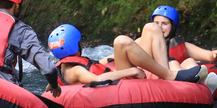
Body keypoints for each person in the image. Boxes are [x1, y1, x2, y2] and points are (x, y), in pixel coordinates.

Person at [47, 23, 203, 86]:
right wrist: (131, 71)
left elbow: (51, 85)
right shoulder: (75, 70)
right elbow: (96, 79)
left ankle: (165, 74)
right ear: (75, 45)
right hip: (123, 81)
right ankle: (169, 75)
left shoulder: (65, 68)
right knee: (121, 41)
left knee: (151, 28)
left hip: (120, 75)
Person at [150, 5, 217, 69]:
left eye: (164, 24)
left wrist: (214, 54)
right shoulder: (145, 42)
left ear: (173, 27)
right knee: (173, 65)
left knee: (190, 62)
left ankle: (200, 79)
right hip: (155, 78)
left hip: (177, 78)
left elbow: (208, 55)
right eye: (156, 23)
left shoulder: (182, 46)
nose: (159, 27)